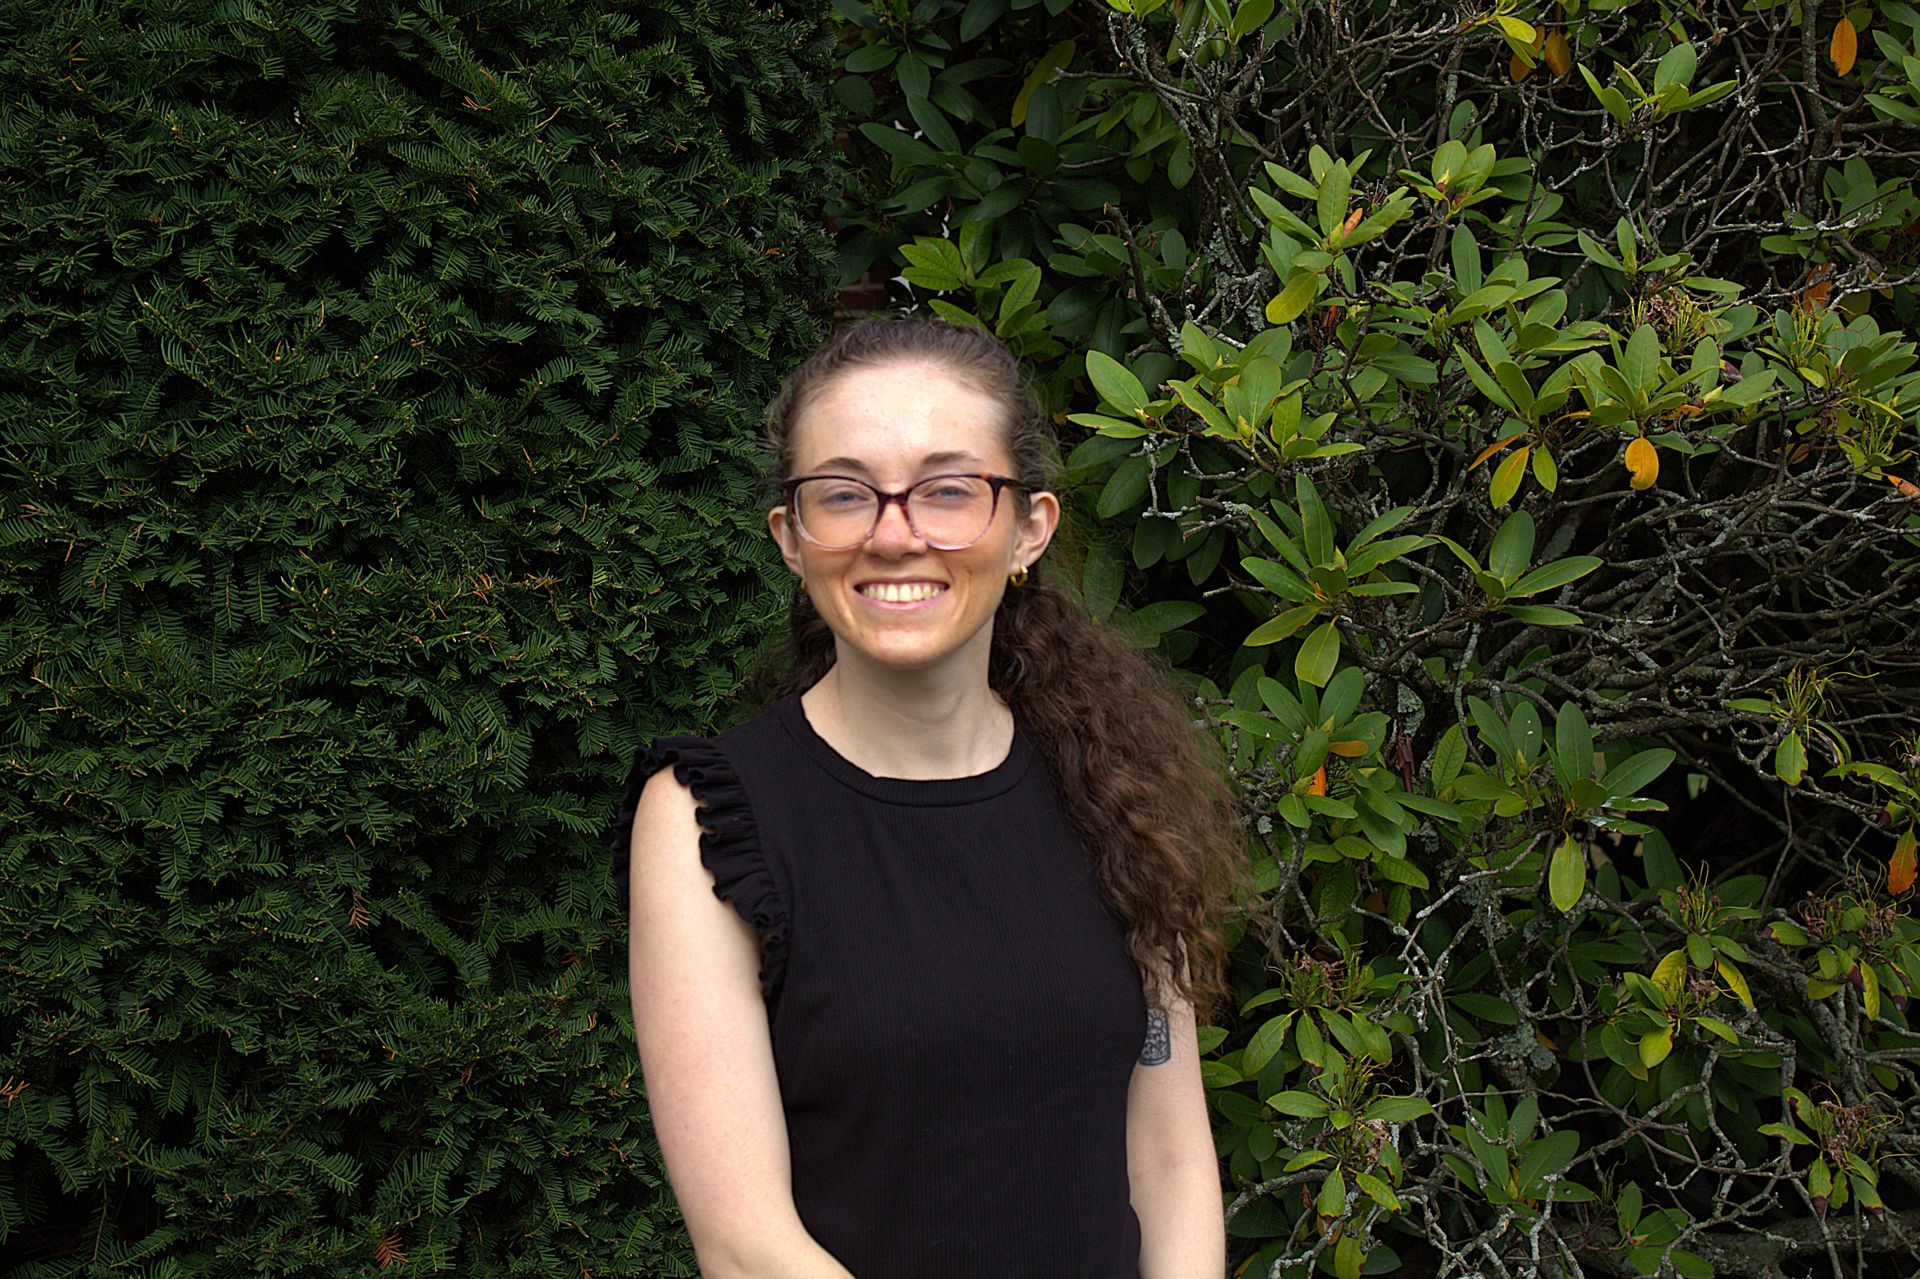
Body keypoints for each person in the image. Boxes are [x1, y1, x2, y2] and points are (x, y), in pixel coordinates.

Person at [613, 316, 1248, 1278]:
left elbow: (1168, 1156)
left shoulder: (1113, 788)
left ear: (1029, 526)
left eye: (949, 491)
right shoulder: (708, 816)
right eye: (844, 494)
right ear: (791, 536)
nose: (894, 533)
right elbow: (747, 1247)